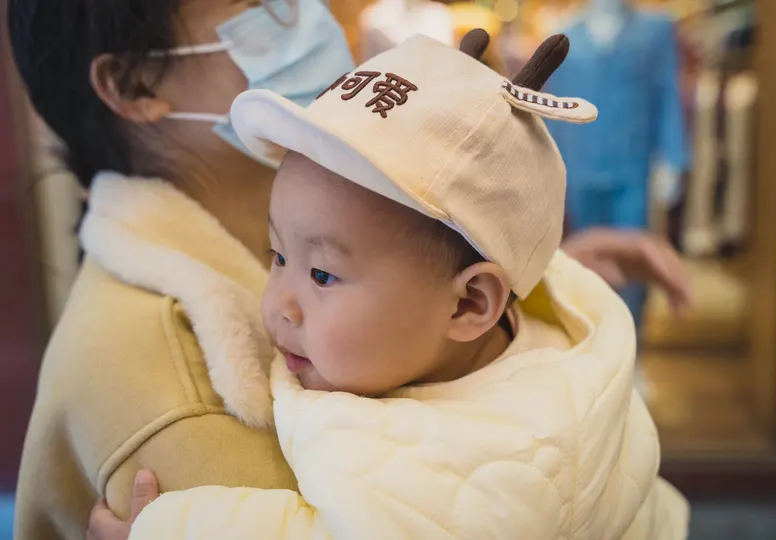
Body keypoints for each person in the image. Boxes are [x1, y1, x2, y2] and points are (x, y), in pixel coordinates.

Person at [8, 2, 689, 539]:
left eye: (322, 274)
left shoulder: (323, 237)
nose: (310, 14)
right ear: (135, 84)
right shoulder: (171, 395)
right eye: (259, 1)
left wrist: (542, 274)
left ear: (474, 304)